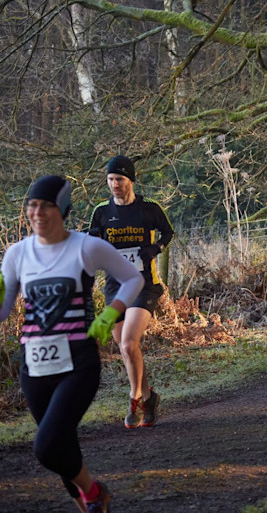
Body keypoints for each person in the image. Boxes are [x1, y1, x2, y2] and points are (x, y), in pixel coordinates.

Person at [1, 175, 144, 513]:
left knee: (47, 447)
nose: (37, 212)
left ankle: (94, 492)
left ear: (62, 209)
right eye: (32, 205)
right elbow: (4, 308)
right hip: (33, 365)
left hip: (77, 363)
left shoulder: (86, 247)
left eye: (46, 205)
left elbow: (133, 278)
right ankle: (93, 504)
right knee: (62, 445)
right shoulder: (17, 253)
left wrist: (110, 314)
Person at [88, 155, 174, 429]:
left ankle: (134, 399)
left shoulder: (149, 208)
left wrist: (155, 249)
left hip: (144, 284)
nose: (114, 184)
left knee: (127, 342)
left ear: (131, 181)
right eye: (111, 179)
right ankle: (149, 397)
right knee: (128, 348)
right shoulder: (101, 211)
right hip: (115, 286)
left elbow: (168, 233)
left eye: (120, 179)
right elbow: (93, 243)